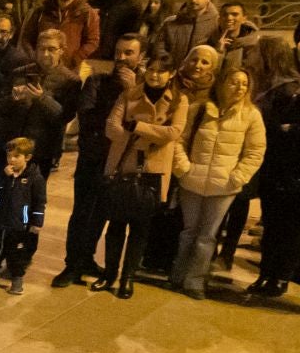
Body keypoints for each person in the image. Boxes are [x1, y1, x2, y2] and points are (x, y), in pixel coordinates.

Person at [53, 34, 142, 288]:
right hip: (93, 156)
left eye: (129, 53)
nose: (122, 57)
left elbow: (144, 120)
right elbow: (88, 116)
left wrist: (132, 91)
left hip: (119, 161)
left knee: (102, 213)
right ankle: (72, 265)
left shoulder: (141, 87)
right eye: (119, 51)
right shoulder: (97, 81)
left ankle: (88, 258)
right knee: (82, 212)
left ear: (140, 57)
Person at [170, 70, 265, 300]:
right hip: (193, 180)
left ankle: (195, 281)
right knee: (188, 231)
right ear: (222, 84)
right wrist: (184, 168)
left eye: (244, 84)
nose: (240, 88)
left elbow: (255, 151)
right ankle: (177, 275)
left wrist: (237, 177)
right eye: (235, 82)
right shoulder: (200, 109)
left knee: (208, 235)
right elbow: (179, 140)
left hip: (224, 186)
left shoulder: (251, 115)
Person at [95, 68, 187, 298]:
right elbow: (111, 127)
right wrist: (150, 137)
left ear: (171, 73)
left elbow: (173, 133)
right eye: (152, 68)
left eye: (162, 70)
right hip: (123, 166)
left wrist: (137, 127)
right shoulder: (130, 94)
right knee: (115, 226)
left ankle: (127, 278)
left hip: (152, 172)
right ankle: (109, 274)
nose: (155, 75)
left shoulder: (178, 99)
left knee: (140, 229)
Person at [248, 70, 300, 297]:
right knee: (272, 228)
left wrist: (291, 129)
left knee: (292, 231)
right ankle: (265, 274)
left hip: (296, 175)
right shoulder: (288, 92)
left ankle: (281, 277)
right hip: (277, 172)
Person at [0, 136, 45, 295]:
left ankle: (17, 279)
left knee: (16, 254)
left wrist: (37, 222)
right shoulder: (3, 174)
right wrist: (2, 176)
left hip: (19, 224)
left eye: (16, 156)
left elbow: (40, 202)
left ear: (27, 157)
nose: (11, 160)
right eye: (9, 156)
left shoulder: (35, 179)